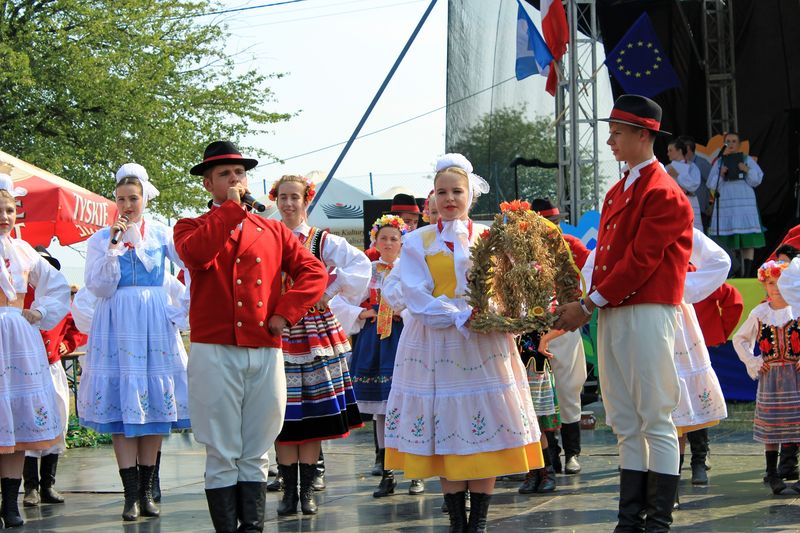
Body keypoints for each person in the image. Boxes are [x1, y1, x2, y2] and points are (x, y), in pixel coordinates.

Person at [384, 153, 543, 533]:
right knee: (446, 429)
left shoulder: (490, 237)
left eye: (457, 191)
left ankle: (479, 523)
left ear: (472, 195)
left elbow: (511, 288)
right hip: (435, 343)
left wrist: (496, 310)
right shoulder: (417, 240)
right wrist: (458, 314)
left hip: (485, 342)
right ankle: (458, 522)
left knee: (482, 425)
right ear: (432, 197)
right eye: (442, 192)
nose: (450, 198)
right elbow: (415, 294)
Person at [555, 95, 693, 531]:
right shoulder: (619, 190)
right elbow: (604, 260)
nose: (610, 139)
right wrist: (581, 297)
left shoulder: (664, 192)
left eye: (618, 131)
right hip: (615, 309)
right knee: (625, 419)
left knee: (655, 415)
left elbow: (641, 260)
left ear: (643, 134)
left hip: (648, 310)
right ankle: (630, 519)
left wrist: (589, 303)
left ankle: (658, 522)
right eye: (611, 130)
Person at [174, 142, 326, 532]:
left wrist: (285, 312)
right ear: (208, 183)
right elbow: (198, 256)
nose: (235, 180)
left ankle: (254, 528)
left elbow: (314, 273)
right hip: (214, 348)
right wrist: (230, 209)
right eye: (225, 174)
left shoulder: (274, 230)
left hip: (264, 347)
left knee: (257, 448)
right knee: (222, 449)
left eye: (239, 173)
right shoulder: (189, 227)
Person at [78, 163, 190, 522]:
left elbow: (192, 267)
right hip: (117, 319)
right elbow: (98, 287)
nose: (127, 205)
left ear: (144, 199)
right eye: (121, 199)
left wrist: (179, 312)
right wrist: (113, 246)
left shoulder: (160, 233)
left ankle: (147, 491)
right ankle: (130, 496)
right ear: (115, 199)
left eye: (133, 198)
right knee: (121, 410)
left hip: (154, 320)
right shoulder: (101, 239)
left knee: (154, 405)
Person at [269, 174, 368, 517]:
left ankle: (306, 490)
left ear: (306, 200)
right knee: (280, 412)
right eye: (283, 197)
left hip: (312, 329)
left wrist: (327, 293)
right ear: (276, 200)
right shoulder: (269, 236)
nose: (288, 203)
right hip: (278, 329)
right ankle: (288, 490)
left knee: (311, 411)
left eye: (295, 197)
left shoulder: (320, 240)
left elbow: (360, 264)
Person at [0, 174, 70, 528]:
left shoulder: (25, 251)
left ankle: (10, 504)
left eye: (10, 210)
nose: (5, 216)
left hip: (17, 337)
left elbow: (56, 285)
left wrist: (38, 312)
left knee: (16, 419)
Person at [330, 214, 410, 498]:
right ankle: (386, 471)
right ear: (374, 241)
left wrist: (406, 312)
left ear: (402, 242)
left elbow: (423, 297)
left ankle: (415, 473)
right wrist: (363, 313)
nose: (388, 243)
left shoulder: (410, 268)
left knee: (410, 403)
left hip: (404, 338)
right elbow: (336, 299)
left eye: (394, 239)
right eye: (383, 238)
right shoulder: (368, 271)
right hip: (375, 341)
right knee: (380, 407)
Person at [22, 248, 87, 508]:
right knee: (28, 424)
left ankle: (48, 484)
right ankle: (30, 488)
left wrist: (68, 343)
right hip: (26, 369)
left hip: (52, 366)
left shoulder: (58, 299)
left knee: (57, 421)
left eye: (49, 266)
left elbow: (75, 325)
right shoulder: (18, 295)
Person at [530, 198, 589, 475]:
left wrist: (582, 307)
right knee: (539, 394)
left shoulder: (572, 246)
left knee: (567, 388)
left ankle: (572, 453)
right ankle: (549, 454)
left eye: (552, 224)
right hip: (532, 330)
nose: (548, 231)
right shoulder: (522, 252)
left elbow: (592, 275)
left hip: (564, 327)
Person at [672, 230, 730, 506]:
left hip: (680, 322)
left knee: (691, 397)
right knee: (666, 406)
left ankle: (698, 460)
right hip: (646, 317)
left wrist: (682, 285)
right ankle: (666, 480)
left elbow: (721, 268)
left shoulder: (680, 231)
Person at [734, 260, 800, 495]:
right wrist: (753, 361)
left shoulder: (797, 308)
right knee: (772, 426)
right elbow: (739, 339)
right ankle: (772, 473)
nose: (776, 287)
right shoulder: (760, 313)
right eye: (771, 283)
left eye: (781, 282)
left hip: (796, 375)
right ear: (764, 284)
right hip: (771, 376)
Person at [707, 131, 765, 276]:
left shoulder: (747, 159)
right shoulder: (720, 162)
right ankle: (735, 270)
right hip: (727, 202)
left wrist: (746, 169)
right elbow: (711, 184)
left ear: (739, 144)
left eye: (734, 141)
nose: (731, 144)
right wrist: (721, 174)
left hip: (744, 201)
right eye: (728, 141)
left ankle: (748, 273)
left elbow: (757, 180)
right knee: (730, 238)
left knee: (747, 239)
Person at [667, 138, 704, 231]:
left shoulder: (692, 166)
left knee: (693, 229)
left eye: (671, 150)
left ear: (679, 151)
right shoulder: (667, 168)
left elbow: (694, 185)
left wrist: (678, 175)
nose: (668, 154)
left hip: (690, 201)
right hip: (675, 202)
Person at [677, 135, 712, 230]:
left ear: (687, 148)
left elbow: (712, 182)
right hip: (683, 209)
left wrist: (710, 204)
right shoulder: (677, 164)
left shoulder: (701, 163)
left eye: (679, 148)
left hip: (700, 208)